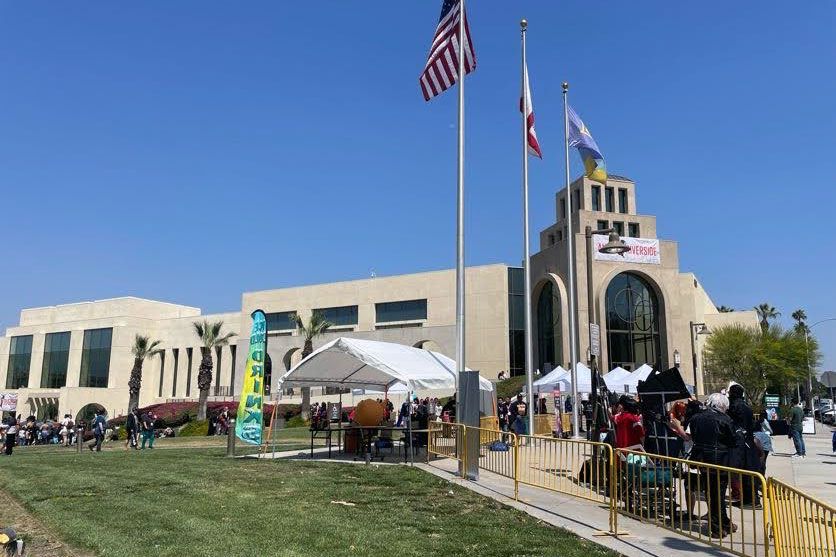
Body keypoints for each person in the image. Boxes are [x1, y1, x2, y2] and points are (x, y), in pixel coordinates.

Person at [689, 392, 739, 538]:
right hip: (720, 460)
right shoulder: (725, 419)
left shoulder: (696, 418)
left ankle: (723, 522)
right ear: (723, 406)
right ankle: (717, 526)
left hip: (703, 460)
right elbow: (733, 440)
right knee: (718, 494)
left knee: (712, 493)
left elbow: (694, 436)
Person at [727, 384, 761, 508]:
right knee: (747, 473)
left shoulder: (735, 406)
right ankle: (748, 499)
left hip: (741, 443)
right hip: (748, 442)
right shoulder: (746, 406)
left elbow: (731, 424)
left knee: (745, 473)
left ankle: (752, 500)